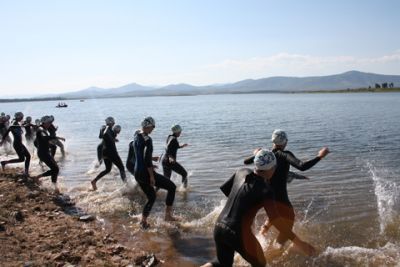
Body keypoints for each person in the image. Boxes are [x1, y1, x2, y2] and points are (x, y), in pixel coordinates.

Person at [201, 149, 316, 267]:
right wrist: (299, 242)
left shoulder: (241, 171)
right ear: (271, 168)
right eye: (274, 167)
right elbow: (276, 220)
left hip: (219, 226)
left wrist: (245, 206)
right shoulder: (266, 190)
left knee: (222, 263)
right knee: (261, 264)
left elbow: (227, 191)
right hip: (236, 232)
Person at [244, 129, 329, 248]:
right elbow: (302, 166)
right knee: (287, 226)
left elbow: (246, 162)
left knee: (273, 215)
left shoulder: (266, 155)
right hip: (281, 199)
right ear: (285, 142)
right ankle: (276, 249)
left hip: (267, 198)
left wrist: (256, 153)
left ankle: (262, 233)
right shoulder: (284, 154)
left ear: (272, 141)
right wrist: (320, 156)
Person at [131, 116, 177, 229]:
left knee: (152, 197)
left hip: (137, 172)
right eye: (153, 127)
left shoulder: (136, 134)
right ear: (149, 126)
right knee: (172, 187)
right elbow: (146, 160)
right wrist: (151, 175)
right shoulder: (148, 140)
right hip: (145, 173)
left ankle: (143, 221)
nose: (153, 129)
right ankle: (168, 216)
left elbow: (140, 154)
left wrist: (151, 160)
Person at [32, 116, 65, 194]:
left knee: (56, 169)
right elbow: (45, 137)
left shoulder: (44, 129)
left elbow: (44, 140)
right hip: (43, 153)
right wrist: (58, 137)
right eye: (49, 123)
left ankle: (55, 187)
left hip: (45, 153)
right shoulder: (40, 129)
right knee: (55, 169)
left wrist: (51, 145)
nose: (50, 124)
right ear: (44, 122)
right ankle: (38, 177)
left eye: (51, 122)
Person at [91, 124, 126, 191]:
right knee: (121, 168)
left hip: (105, 153)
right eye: (118, 132)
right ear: (118, 131)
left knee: (108, 169)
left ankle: (94, 181)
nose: (117, 133)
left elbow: (107, 139)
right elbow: (105, 136)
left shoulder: (111, 134)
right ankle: (126, 185)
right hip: (111, 153)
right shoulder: (109, 133)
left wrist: (113, 139)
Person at [0, 112, 31, 176]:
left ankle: (4, 162)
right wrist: (2, 141)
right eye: (21, 117)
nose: (22, 118)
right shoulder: (14, 123)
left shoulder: (17, 123)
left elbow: (10, 130)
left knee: (26, 157)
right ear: (18, 117)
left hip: (19, 143)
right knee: (24, 158)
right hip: (17, 144)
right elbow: (10, 128)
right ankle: (26, 172)